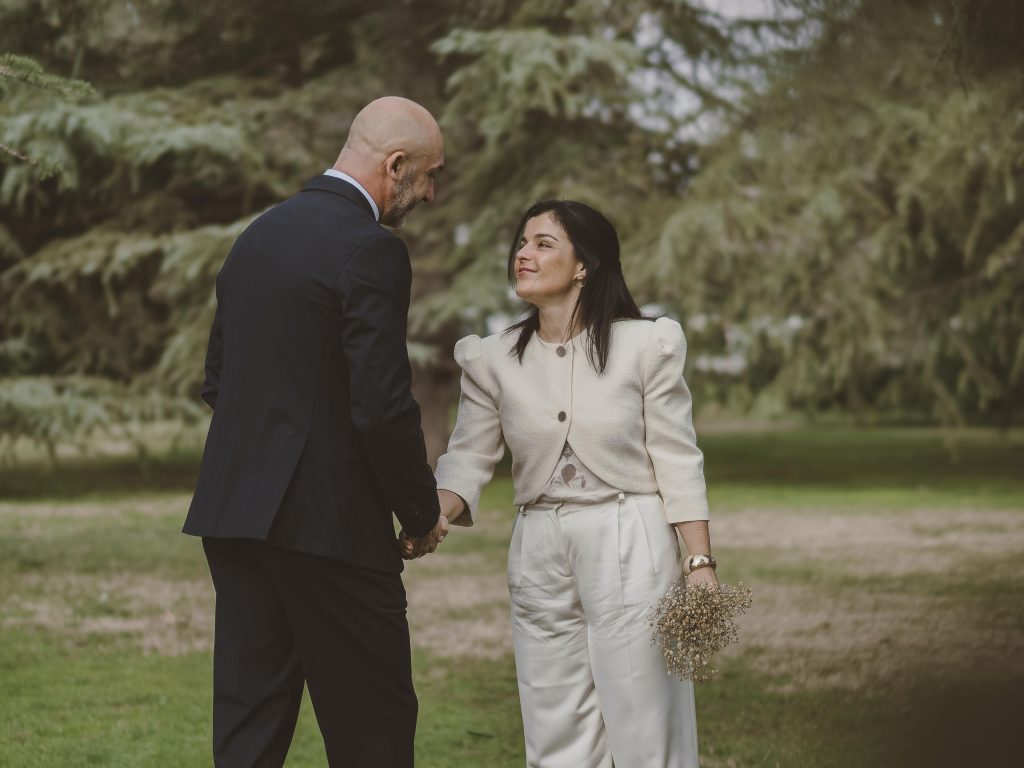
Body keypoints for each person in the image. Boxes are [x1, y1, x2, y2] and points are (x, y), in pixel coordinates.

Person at [184, 96, 449, 768]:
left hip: (236, 519)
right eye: (427, 176)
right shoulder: (371, 249)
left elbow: (218, 380)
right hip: (331, 529)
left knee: (249, 728)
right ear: (395, 165)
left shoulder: (259, 235)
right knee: (374, 730)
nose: (431, 192)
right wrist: (418, 513)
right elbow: (382, 405)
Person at [422, 200, 717, 768]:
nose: (523, 254)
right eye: (522, 242)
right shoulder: (494, 359)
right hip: (538, 544)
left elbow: (677, 456)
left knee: (643, 716)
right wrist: (432, 513)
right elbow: (468, 458)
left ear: (585, 265)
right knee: (552, 720)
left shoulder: (644, 345)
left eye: (543, 243)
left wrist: (699, 561)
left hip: (626, 532)